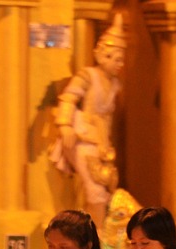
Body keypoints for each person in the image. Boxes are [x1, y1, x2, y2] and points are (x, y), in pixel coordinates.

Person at [49, 15, 128, 228]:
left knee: (104, 188)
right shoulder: (88, 76)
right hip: (82, 137)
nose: (119, 64)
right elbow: (68, 98)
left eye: (122, 60)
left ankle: (96, 234)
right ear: (103, 55)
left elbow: (107, 117)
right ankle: (95, 237)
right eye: (116, 58)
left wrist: (106, 144)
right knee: (95, 190)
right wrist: (65, 126)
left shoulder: (115, 84)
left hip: (100, 142)